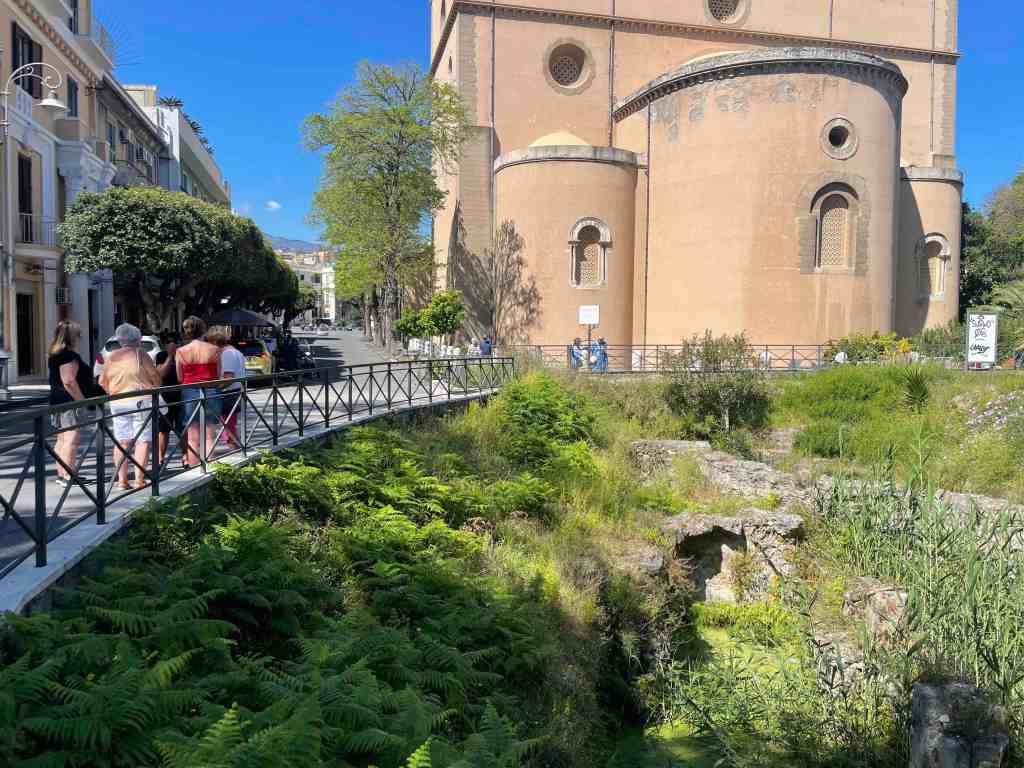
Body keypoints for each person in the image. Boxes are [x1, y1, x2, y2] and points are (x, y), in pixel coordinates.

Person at [99, 324, 162, 490]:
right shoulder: (139, 353)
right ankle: (139, 480)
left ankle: (122, 481)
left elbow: (102, 381)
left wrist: (113, 391)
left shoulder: (111, 356)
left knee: (122, 441)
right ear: (137, 339)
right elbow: (155, 376)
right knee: (142, 441)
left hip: (117, 401)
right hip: (140, 399)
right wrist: (156, 387)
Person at [47, 320, 92, 487]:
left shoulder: (56, 354)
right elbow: (69, 381)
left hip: (57, 401)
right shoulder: (69, 356)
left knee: (62, 439)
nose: (80, 338)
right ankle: (68, 475)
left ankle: (63, 474)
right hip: (69, 402)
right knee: (71, 439)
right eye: (78, 335)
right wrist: (82, 401)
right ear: (73, 337)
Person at [176, 316, 222, 467]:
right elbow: (218, 374)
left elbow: (179, 377)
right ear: (203, 330)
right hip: (210, 390)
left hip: (189, 391)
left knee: (192, 433)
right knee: (209, 432)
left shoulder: (181, 351)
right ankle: (210, 464)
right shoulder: (214, 349)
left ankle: (193, 465)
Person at [207, 326, 246, 449]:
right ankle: (237, 448)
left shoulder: (227, 354)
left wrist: (214, 388)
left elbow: (228, 378)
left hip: (228, 393)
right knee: (228, 425)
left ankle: (236, 448)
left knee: (227, 425)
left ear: (214, 341)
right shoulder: (234, 352)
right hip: (234, 391)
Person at [155, 331, 181, 464]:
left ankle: (186, 456)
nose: (172, 345)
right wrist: (170, 356)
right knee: (163, 430)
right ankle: (160, 458)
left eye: (175, 343)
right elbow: (161, 374)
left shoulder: (183, 355)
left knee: (183, 428)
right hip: (165, 397)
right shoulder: (160, 356)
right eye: (169, 343)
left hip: (181, 395)